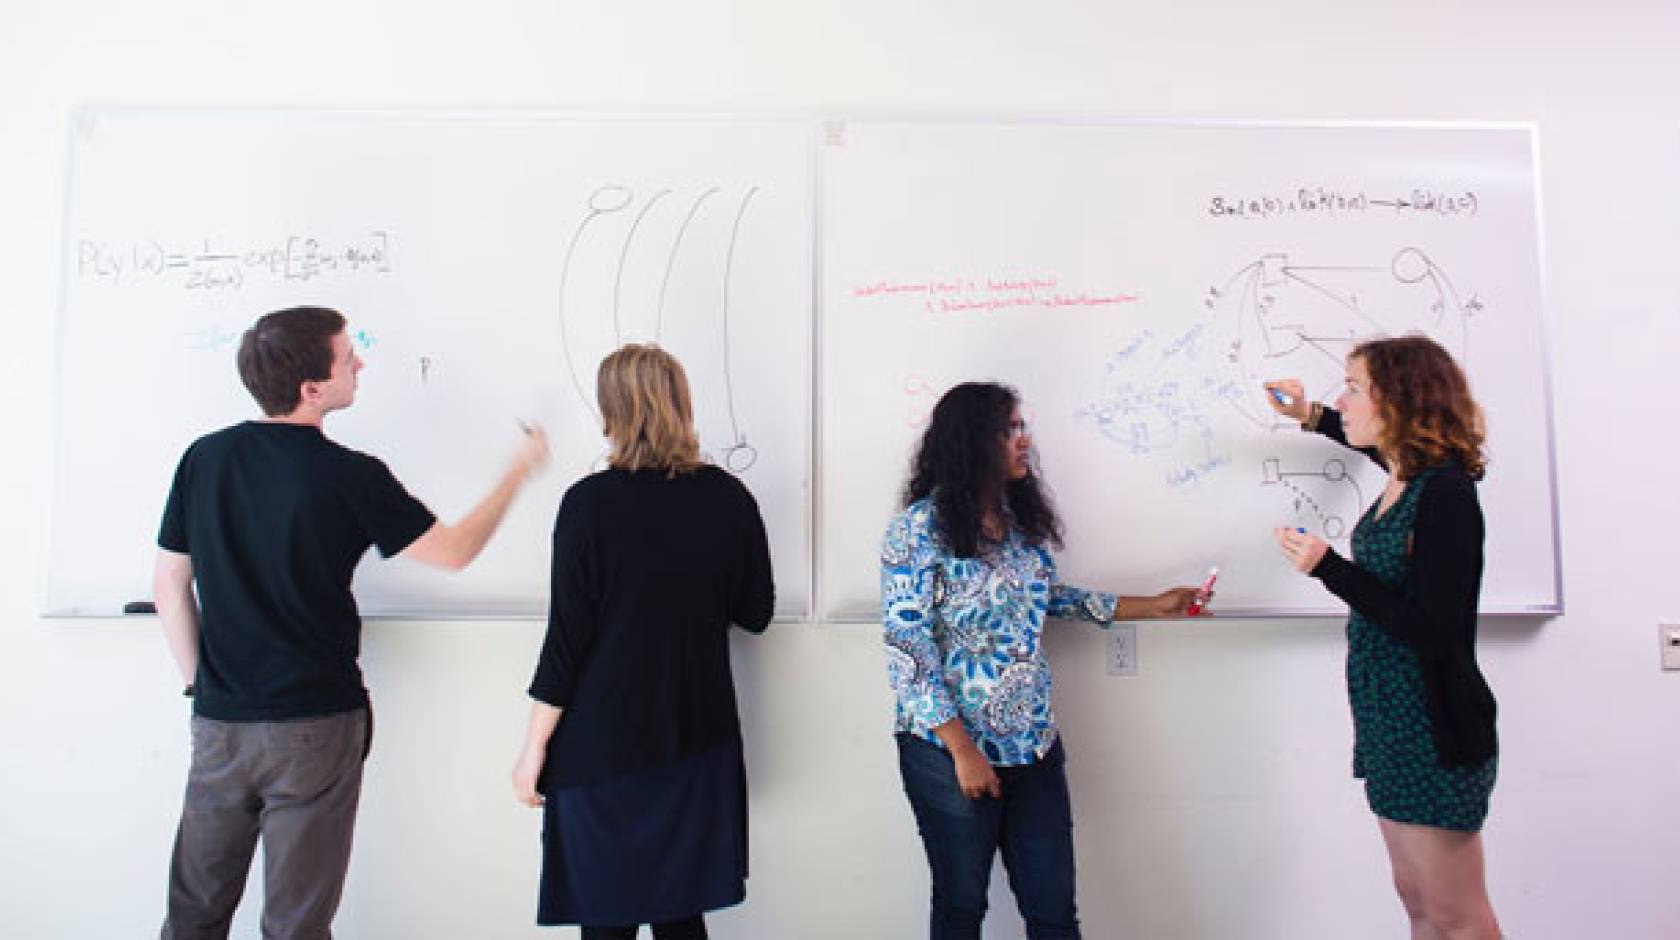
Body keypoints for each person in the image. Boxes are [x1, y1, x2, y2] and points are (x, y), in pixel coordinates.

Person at [153, 305, 550, 940]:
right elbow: (454, 552)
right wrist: (517, 472)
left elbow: (170, 588)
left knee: (194, 915)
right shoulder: (348, 477)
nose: (359, 362)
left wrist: (202, 687)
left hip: (220, 724)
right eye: (347, 356)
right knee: (297, 925)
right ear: (312, 390)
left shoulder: (203, 460)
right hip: (314, 724)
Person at [880, 381, 1203, 940]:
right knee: (961, 910)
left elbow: (1049, 597)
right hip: (947, 752)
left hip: (1033, 745)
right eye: (1010, 430)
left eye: (1023, 427)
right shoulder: (917, 531)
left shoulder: (1017, 528)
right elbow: (908, 650)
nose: (1024, 441)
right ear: (972, 441)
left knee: (1053, 915)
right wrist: (963, 751)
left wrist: (1153, 605)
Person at [511, 344, 774, 940]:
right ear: (681, 405)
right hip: (695, 740)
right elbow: (755, 614)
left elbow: (567, 643)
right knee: (683, 921)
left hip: (600, 751)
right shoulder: (728, 499)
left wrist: (532, 753)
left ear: (611, 413)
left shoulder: (586, 505)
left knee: (607, 924)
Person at [1266, 334, 1501, 939]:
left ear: (1399, 398)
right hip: (1390, 726)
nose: (1341, 401)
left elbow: (1436, 633)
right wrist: (1307, 415)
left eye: (1353, 388)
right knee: (1417, 902)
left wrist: (1329, 568)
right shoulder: (1405, 471)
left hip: (1433, 730)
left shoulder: (1444, 493)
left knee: (1456, 915)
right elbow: (1357, 438)